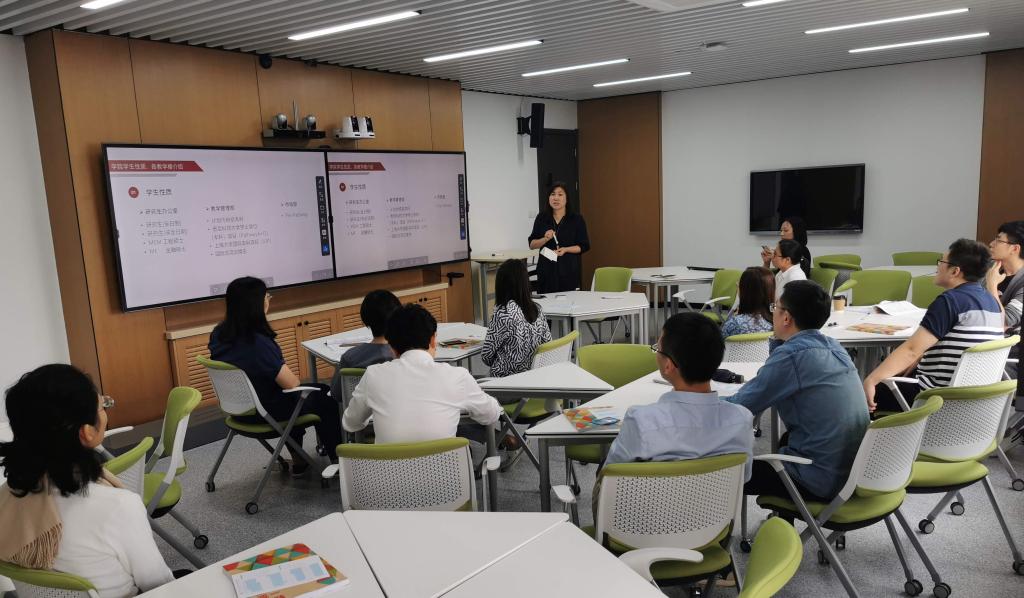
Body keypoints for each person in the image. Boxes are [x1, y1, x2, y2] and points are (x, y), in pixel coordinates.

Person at [0, 365, 175, 597]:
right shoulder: (118, 506)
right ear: (87, 432)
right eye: (102, 406)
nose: (105, 412)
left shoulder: (8, 497)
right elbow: (160, 585)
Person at [725, 281, 868, 501]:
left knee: (724, 472)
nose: (772, 312)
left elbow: (740, 406)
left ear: (786, 318)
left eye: (775, 307)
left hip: (818, 479)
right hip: (854, 472)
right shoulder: (833, 346)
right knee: (785, 440)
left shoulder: (792, 356)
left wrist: (695, 399)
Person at [208, 277, 342, 474]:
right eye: (267, 296)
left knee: (292, 396)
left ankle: (299, 461)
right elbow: (292, 383)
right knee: (324, 395)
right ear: (257, 303)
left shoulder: (218, 335)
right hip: (266, 414)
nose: (269, 300)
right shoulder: (258, 342)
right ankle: (339, 461)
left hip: (238, 412)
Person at [866, 239, 1004, 414]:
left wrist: (872, 380)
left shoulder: (950, 301)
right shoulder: (991, 301)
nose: (938, 266)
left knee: (859, 394)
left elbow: (911, 350)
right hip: (972, 401)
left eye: (941, 262)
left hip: (933, 397)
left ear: (955, 271)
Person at [604, 313, 754, 474]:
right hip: (721, 491)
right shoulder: (742, 419)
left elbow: (610, 478)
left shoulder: (640, 421)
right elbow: (744, 476)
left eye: (658, 349)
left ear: (668, 365)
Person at [343, 303, 503, 443]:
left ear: (391, 347)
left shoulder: (373, 375)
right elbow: (491, 415)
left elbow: (350, 423)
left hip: (387, 469)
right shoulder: (457, 377)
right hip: (444, 469)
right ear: (433, 340)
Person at [482, 259, 552, 377]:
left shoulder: (503, 313)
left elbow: (486, 356)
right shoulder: (537, 309)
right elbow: (548, 344)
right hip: (533, 376)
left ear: (502, 285)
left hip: (506, 379)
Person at [329, 289, 401, 400]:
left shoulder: (350, 357)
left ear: (365, 319)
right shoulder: (405, 354)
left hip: (360, 410)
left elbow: (336, 394)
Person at [528, 181, 590, 293]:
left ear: (567, 198)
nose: (556, 198)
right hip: (546, 271)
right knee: (546, 301)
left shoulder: (576, 219)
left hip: (568, 270)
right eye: (552, 194)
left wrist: (566, 249)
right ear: (549, 198)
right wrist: (545, 239)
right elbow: (532, 244)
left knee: (569, 300)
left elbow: (584, 246)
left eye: (560, 194)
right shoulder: (542, 218)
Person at [720, 267, 775, 339]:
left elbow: (720, 343)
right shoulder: (778, 321)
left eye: (739, 283)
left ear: (746, 290)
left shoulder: (735, 323)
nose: (737, 284)